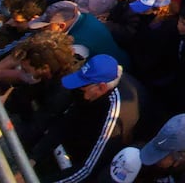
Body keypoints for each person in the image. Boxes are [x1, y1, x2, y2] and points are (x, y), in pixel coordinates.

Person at [29, 55, 141, 183]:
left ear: (101, 87)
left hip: (121, 159)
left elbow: (89, 169)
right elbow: (67, 121)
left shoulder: (116, 116)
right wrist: (33, 159)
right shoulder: (90, 90)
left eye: (83, 87)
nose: (79, 89)